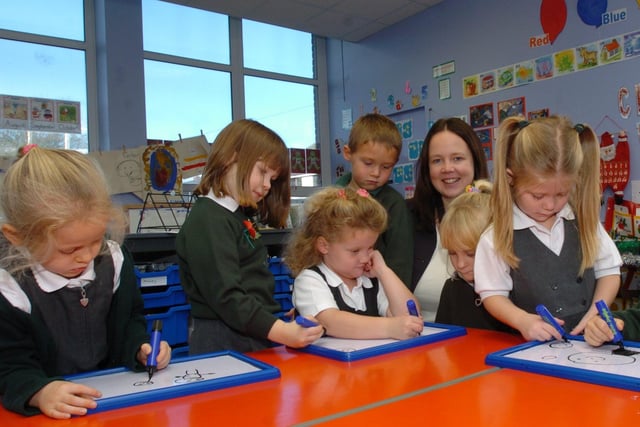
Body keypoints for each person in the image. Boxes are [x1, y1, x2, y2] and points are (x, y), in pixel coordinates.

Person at [0, 147, 171, 419]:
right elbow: (9, 365)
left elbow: (128, 322)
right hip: (46, 414)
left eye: (96, 240)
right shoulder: (9, 286)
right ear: (17, 237)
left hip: (111, 403)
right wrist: (39, 391)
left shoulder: (113, 259)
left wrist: (139, 348)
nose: (87, 256)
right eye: (69, 250)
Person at [176, 119, 324, 354]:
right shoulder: (208, 219)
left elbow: (252, 281)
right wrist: (282, 331)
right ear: (229, 158)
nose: (266, 185)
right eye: (262, 172)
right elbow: (228, 298)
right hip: (222, 342)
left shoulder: (236, 215)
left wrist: (273, 315)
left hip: (250, 333)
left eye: (272, 179)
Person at [474, 116, 622, 342]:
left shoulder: (583, 221)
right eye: (538, 195)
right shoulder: (495, 237)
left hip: (590, 346)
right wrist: (522, 320)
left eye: (562, 194)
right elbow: (493, 295)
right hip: (534, 349)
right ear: (510, 178)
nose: (550, 205)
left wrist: (595, 314)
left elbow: (610, 272)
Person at [285, 186, 423, 340]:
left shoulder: (370, 281)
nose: (365, 258)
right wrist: (390, 327)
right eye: (355, 251)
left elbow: (411, 318)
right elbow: (331, 322)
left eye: (370, 247)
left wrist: (384, 271)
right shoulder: (310, 280)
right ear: (324, 245)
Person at [407, 117, 489, 321]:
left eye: (457, 158)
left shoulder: (499, 216)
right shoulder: (406, 217)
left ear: (474, 160)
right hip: (418, 341)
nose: (447, 168)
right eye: (437, 161)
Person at [336, 113, 414, 287]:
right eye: (368, 163)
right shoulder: (331, 199)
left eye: (386, 167)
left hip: (377, 298)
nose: (376, 173)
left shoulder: (394, 204)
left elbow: (401, 263)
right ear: (348, 153)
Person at [435, 180, 509, 332]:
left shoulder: (518, 289)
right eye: (452, 253)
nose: (460, 264)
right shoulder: (452, 288)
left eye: (471, 254)